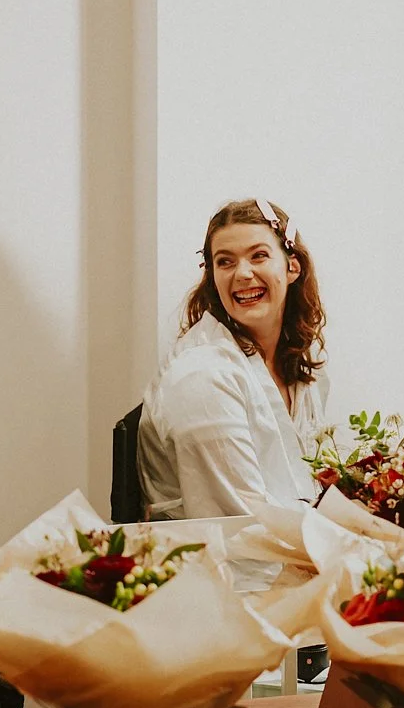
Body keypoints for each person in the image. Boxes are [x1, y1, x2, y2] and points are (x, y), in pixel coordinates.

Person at [137, 198, 329, 520]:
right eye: (225, 262)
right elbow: (237, 519)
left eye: (258, 256)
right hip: (221, 548)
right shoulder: (202, 376)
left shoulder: (296, 364)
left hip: (289, 540)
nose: (242, 273)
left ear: (292, 267)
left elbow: (313, 485)